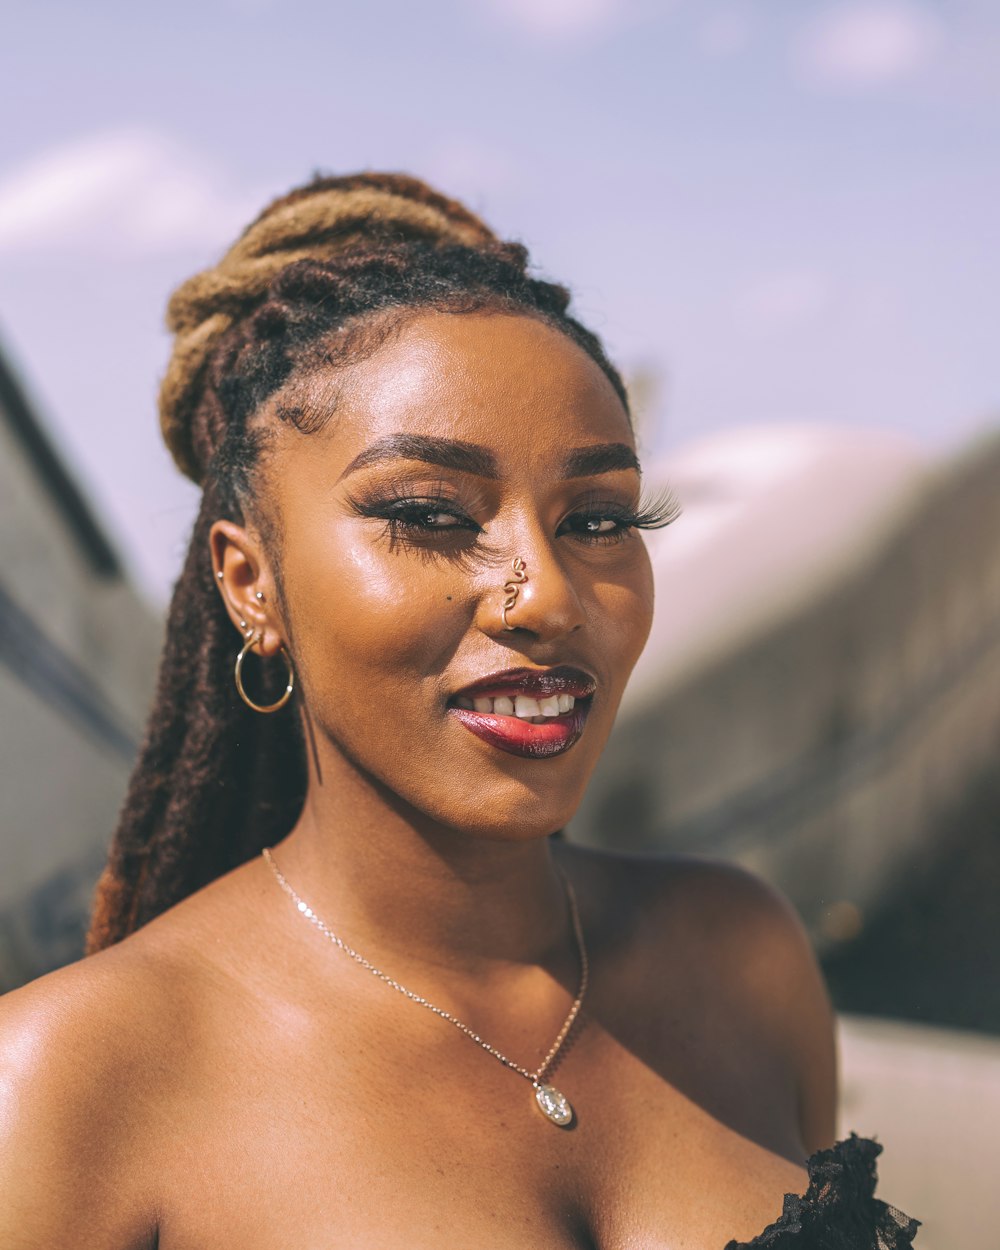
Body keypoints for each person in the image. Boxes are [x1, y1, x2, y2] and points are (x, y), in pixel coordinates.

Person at [0, 173, 918, 1248]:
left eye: (598, 517)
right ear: (251, 584)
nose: (549, 595)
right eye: (430, 513)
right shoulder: (66, 1080)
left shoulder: (739, 953)